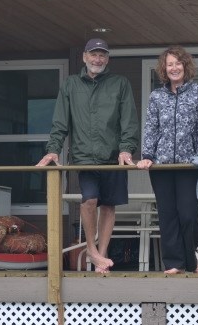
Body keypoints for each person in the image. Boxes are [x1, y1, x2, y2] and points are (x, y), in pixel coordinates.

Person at [37, 38, 139, 273]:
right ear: (84, 57)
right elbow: (60, 122)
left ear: (108, 59)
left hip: (114, 158)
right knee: (90, 200)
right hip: (84, 157)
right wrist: (53, 149)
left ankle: (101, 257)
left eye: (102, 55)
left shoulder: (119, 83)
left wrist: (126, 148)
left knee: (109, 206)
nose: (98, 59)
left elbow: (129, 121)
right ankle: (92, 251)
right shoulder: (71, 85)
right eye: (93, 54)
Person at [136, 45, 198, 274]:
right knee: (167, 215)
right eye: (169, 64)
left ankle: (190, 259)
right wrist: (147, 156)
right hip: (160, 165)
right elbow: (151, 128)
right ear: (164, 68)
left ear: (185, 66)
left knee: (189, 215)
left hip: (188, 164)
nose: (174, 68)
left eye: (178, 63)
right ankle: (174, 264)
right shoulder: (157, 96)